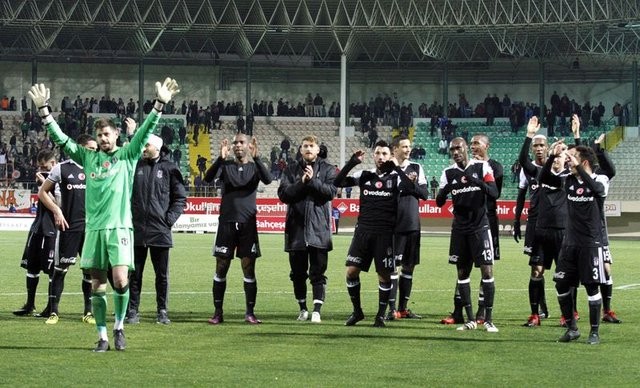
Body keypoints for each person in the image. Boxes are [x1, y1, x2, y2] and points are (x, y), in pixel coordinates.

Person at [29, 77, 180, 352]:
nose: (103, 139)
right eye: (99, 136)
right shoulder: (89, 158)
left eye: (107, 134)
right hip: (94, 230)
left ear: (116, 136)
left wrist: (159, 104)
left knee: (121, 280)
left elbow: (145, 131)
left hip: (120, 229)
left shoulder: (128, 155)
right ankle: (102, 337)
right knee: (98, 284)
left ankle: (119, 327)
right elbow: (60, 139)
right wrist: (44, 111)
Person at [334, 140, 413, 327]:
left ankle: (380, 315)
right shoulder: (365, 175)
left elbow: (411, 190)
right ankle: (357, 311)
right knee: (351, 272)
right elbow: (338, 183)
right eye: (378, 153)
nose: (381, 157)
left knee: (384, 276)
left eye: (385, 154)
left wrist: (398, 168)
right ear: (373, 155)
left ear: (390, 156)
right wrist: (352, 162)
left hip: (385, 234)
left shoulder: (396, 177)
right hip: (363, 231)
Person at [540, 143, 608, 344]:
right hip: (569, 244)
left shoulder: (600, 179)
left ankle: (594, 332)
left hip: (590, 243)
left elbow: (597, 190)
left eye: (571, 157)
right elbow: (543, 178)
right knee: (561, 284)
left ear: (583, 161)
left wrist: (579, 168)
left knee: (591, 287)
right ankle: (572, 328)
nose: (567, 160)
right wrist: (552, 157)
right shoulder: (567, 180)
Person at [203, 133, 272, 325]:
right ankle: (218, 312)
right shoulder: (225, 166)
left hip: (248, 224)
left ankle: (250, 312)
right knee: (221, 267)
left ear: (249, 145)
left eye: (241, 142)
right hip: (226, 222)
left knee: (248, 268)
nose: (237, 145)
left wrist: (257, 158)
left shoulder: (254, 167)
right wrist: (219, 158)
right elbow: (208, 178)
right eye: (235, 143)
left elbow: (268, 180)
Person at [435, 137, 499, 332]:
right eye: (452, 149)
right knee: (462, 273)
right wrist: (445, 190)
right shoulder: (448, 173)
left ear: (465, 149)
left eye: (459, 148)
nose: (455, 152)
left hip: (480, 227)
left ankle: (488, 319)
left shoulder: (482, 167)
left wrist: (476, 182)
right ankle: (470, 319)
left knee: (487, 271)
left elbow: (494, 193)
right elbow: (438, 202)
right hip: (460, 230)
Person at [36, 135, 98, 325]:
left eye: (96, 149)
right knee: (60, 269)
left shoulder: (97, 167)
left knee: (89, 272)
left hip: (91, 229)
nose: (95, 152)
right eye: (91, 148)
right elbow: (42, 192)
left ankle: (88, 312)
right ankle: (54, 312)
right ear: (80, 148)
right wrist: (57, 211)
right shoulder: (61, 168)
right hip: (67, 228)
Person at [126, 134, 187, 325]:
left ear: (157, 147)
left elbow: (180, 198)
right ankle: (132, 311)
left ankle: (162, 310)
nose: (144, 148)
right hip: (137, 229)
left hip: (160, 230)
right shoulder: (136, 166)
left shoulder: (170, 168)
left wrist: (167, 220)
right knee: (134, 274)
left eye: (147, 144)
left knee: (161, 275)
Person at [277, 135, 336, 323]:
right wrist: (302, 182)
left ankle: (317, 310)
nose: (309, 149)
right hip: (296, 230)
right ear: (301, 150)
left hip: (319, 229)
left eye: (312, 146)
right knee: (297, 274)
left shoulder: (328, 169)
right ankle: (302, 309)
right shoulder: (291, 169)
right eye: (305, 146)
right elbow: (284, 195)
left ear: (318, 150)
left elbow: (330, 192)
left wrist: (312, 182)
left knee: (318, 273)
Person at [513, 117, 551, 323]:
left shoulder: (557, 169)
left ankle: (569, 313)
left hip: (557, 227)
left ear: (547, 148)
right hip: (535, 225)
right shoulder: (528, 170)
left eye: (541, 145)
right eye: (535, 146)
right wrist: (517, 221)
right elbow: (521, 196)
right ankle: (538, 311)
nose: (538, 148)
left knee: (565, 271)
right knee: (537, 269)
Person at [386, 135, 428, 320]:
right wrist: (410, 186)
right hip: (393, 225)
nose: (408, 149)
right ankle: (391, 309)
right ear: (395, 149)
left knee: (409, 267)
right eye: (404, 146)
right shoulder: (387, 169)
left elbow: (425, 194)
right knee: (392, 268)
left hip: (412, 223)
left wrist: (409, 186)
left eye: (409, 146)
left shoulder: (417, 167)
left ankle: (403, 309)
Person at [13, 149, 58, 317]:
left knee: (52, 270)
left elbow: (59, 206)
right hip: (37, 228)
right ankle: (29, 304)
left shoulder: (60, 179)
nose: (41, 170)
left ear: (53, 164)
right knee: (31, 267)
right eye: (39, 167)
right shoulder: (43, 180)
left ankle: (51, 307)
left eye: (45, 167)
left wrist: (45, 188)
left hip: (51, 231)